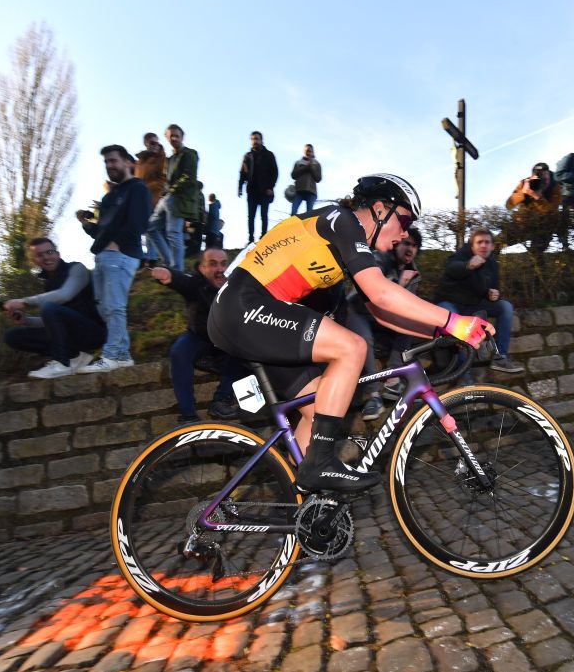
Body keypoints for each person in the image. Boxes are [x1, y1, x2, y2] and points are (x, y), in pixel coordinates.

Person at [208, 174, 493, 493]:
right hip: (245, 306)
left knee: (319, 411)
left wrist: (443, 331)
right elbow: (383, 293)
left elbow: (383, 312)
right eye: (404, 220)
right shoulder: (341, 220)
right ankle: (319, 467)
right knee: (351, 346)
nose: (405, 232)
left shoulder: (338, 252)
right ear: (380, 208)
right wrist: (455, 320)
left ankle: (304, 507)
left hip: (251, 319)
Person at [75, 145, 152, 372]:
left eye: (113, 161)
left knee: (115, 307)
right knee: (105, 308)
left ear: (129, 163)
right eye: (106, 162)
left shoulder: (138, 188)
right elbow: (102, 230)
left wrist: (117, 244)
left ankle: (111, 356)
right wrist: (86, 225)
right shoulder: (109, 197)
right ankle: (122, 355)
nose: (110, 166)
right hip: (102, 255)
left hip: (120, 255)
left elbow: (139, 223)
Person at [149, 248, 246, 422]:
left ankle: (222, 401)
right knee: (179, 351)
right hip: (200, 338)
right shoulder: (197, 285)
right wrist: (167, 274)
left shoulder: (237, 286)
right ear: (202, 268)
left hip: (227, 344)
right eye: (213, 264)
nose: (220, 269)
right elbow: (181, 281)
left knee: (247, 351)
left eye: (224, 264)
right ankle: (188, 416)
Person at [345, 227, 424, 419]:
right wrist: (400, 286)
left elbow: (406, 308)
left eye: (415, 246)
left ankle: (392, 378)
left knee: (410, 323)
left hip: (383, 321)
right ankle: (373, 396)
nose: (410, 249)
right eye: (407, 243)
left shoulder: (413, 272)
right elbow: (374, 292)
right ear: (397, 244)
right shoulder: (379, 258)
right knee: (363, 340)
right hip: (358, 311)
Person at [2, 237, 106, 379]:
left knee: (50, 308)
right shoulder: (49, 283)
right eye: (40, 255)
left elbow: (65, 295)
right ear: (34, 261)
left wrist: (24, 302)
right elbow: (53, 321)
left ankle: (62, 363)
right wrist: (26, 320)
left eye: (50, 252)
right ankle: (75, 357)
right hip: (70, 336)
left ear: (58, 254)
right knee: (12, 337)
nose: (46, 257)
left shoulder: (77, 269)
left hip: (92, 332)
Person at [434, 227, 524, 374]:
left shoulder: (493, 264)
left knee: (505, 307)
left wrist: (494, 294)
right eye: (479, 242)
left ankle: (499, 357)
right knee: (452, 320)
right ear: (472, 246)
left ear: (492, 246)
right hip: (451, 302)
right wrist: (468, 266)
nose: (483, 245)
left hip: (474, 305)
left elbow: (494, 289)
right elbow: (451, 269)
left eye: (487, 242)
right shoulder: (461, 256)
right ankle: (463, 372)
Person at [162, 124, 200, 270]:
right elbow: (167, 178)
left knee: (174, 232)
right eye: (171, 135)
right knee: (152, 227)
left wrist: (171, 190)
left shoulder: (189, 154)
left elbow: (189, 177)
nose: (174, 138)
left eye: (177, 135)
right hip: (168, 197)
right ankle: (169, 263)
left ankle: (177, 269)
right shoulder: (170, 159)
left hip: (179, 199)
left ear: (182, 137)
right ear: (167, 137)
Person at [505, 162, 562, 254]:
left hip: (544, 226)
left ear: (549, 176)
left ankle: (536, 259)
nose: (542, 183)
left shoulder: (555, 187)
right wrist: (523, 193)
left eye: (545, 178)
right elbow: (508, 205)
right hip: (524, 222)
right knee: (497, 242)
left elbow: (552, 212)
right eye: (540, 178)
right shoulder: (525, 184)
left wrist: (538, 198)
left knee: (537, 252)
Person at [238, 131, 278, 243]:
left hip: (265, 190)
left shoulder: (269, 155)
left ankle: (264, 237)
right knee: (251, 216)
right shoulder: (247, 156)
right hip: (252, 190)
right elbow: (242, 173)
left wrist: (271, 187)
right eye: (253, 139)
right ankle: (250, 239)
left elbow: (275, 172)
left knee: (264, 215)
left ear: (261, 140)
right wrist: (240, 187)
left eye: (257, 139)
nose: (255, 141)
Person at [135, 133, 167, 267]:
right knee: (144, 228)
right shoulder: (140, 161)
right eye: (152, 143)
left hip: (154, 197)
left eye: (157, 143)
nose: (155, 146)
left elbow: (164, 178)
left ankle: (155, 257)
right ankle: (147, 256)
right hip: (140, 198)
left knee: (151, 228)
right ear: (146, 144)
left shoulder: (162, 158)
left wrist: (148, 187)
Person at [290, 144, 322, 215]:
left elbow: (318, 179)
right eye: (307, 151)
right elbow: (293, 175)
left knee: (309, 214)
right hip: (299, 191)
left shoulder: (317, 164)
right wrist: (305, 168)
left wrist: (312, 168)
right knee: (293, 212)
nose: (308, 153)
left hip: (311, 192)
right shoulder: (298, 163)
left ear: (313, 152)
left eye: (310, 151)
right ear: (304, 152)